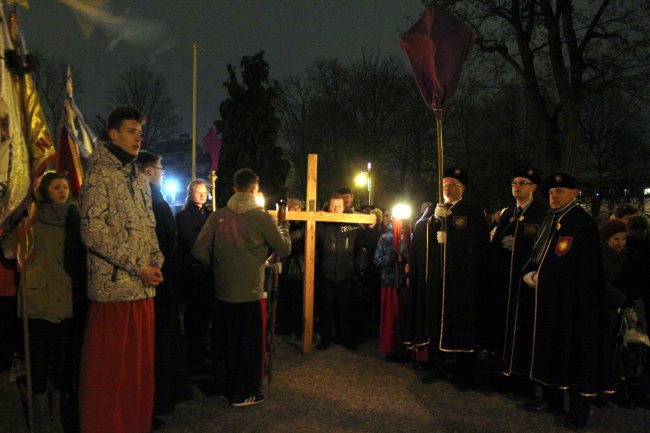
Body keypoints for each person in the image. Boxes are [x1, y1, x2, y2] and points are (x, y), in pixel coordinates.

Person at [79, 107, 164, 433]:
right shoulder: (99, 176)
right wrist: (137, 265)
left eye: (139, 131)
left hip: (142, 289)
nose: (137, 137)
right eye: (131, 130)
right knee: (110, 373)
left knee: (138, 371)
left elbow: (149, 226)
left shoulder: (140, 181)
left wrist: (156, 262)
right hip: (114, 292)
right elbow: (93, 232)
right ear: (112, 134)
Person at [518, 173, 611, 430]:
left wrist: (544, 276)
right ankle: (552, 399)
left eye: (560, 191)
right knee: (551, 347)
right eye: (551, 192)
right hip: (550, 298)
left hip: (575, 302)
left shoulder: (581, 222)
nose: (554, 196)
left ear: (574, 193)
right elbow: (541, 253)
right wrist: (531, 271)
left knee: (574, 351)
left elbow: (580, 265)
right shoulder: (551, 218)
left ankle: (580, 407)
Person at [192, 168, 290, 407]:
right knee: (248, 345)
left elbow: (198, 251)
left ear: (234, 189)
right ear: (254, 190)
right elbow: (284, 249)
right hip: (249, 293)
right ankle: (244, 392)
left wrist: (217, 265)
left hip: (222, 291)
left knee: (224, 341)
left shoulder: (218, 216)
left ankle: (224, 386)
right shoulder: (260, 218)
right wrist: (284, 228)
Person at [6, 172, 86, 420]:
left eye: (64, 186)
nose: (62, 191)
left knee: (64, 352)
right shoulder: (32, 219)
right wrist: (17, 224)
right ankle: (39, 396)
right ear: (45, 192)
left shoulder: (78, 218)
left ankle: (59, 394)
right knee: (38, 353)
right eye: (55, 187)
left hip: (68, 295)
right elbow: (10, 252)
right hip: (39, 297)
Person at [408, 167, 489, 388]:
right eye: (444, 184)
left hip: (460, 279)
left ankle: (464, 372)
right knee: (435, 321)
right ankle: (436, 366)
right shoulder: (435, 209)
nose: (447, 187)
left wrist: (452, 240)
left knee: (461, 323)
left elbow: (479, 244)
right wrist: (434, 222)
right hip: (437, 276)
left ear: (462, 188)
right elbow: (419, 232)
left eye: (452, 184)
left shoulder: (471, 210)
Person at [137, 151, 192, 424]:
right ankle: (158, 399)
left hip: (163, 276)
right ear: (148, 171)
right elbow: (162, 241)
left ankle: (163, 396)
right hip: (158, 277)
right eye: (160, 169)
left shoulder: (154, 198)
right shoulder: (150, 198)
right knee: (158, 340)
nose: (163, 173)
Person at [489, 167, 547, 370]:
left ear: (533, 187)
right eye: (514, 183)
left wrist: (519, 246)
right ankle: (504, 363)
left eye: (522, 183)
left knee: (523, 325)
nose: (517, 187)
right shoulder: (509, 213)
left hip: (525, 279)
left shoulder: (541, 213)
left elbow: (542, 244)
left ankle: (522, 369)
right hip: (505, 278)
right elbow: (495, 243)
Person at [316, 193, 368, 351]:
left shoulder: (351, 225)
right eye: (333, 205)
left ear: (344, 207)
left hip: (346, 274)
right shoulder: (322, 224)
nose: (335, 208)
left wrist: (358, 267)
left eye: (338, 205)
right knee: (326, 309)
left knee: (345, 309)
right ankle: (326, 338)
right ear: (329, 206)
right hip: (327, 274)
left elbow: (363, 244)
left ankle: (345, 338)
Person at [175, 179, 212, 367]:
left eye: (204, 192)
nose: (202, 196)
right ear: (190, 194)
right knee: (194, 310)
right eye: (198, 192)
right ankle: (192, 347)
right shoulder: (183, 217)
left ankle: (202, 343)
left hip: (207, 270)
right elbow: (188, 243)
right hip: (193, 270)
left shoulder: (209, 214)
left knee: (205, 310)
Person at [373, 219, 408, 359]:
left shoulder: (409, 237)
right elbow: (376, 260)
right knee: (390, 317)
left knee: (404, 315)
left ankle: (406, 348)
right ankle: (391, 349)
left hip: (405, 283)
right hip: (389, 283)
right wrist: (390, 258)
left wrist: (405, 260)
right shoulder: (385, 238)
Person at [277, 198, 305, 339]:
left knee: (297, 300)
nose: (295, 210)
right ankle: (284, 326)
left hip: (300, 266)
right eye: (292, 207)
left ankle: (296, 329)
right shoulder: (285, 224)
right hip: (286, 264)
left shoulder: (305, 225)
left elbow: (294, 238)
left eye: (297, 207)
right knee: (284, 296)